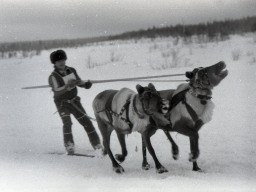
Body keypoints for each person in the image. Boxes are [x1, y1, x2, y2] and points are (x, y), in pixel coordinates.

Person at [48, 49, 102, 155]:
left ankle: (97, 144)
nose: (61, 63)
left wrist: (85, 84)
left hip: (74, 101)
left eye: (63, 60)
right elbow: (57, 91)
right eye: (58, 61)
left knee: (86, 122)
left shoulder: (71, 70)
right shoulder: (53, 76)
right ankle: (69, 145)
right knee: (67, 123)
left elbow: (78, 81)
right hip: (62, 103)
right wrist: (67, 87)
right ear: (54, 63)